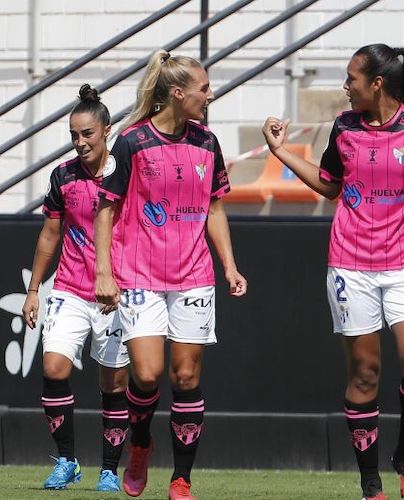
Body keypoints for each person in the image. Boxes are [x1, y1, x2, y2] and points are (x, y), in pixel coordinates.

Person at [262, 43, 404, 500]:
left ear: (376, 83)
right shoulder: (344, 128)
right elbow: (330, 186)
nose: (345, 87)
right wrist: (281, 152)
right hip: (351, 264)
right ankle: (370, 481)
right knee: (364, 373)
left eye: (351, 79)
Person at [94, 50, 247, 500]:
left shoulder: (207, 142)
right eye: (204, 88)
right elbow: (107, 209)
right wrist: (104, 271)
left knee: (185, 378)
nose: (210, 95)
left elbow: (214, 208)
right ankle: (140, 444)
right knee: (145, 374)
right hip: (139, 275)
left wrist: (230, 266)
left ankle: (181, 479)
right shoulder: (132, 141)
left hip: (194, 276)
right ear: (178, 94)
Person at [22, 84, 130, 492]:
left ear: (106, 130)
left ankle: (108, 470)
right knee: (53, 369)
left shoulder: (125, 172)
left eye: (88, 133)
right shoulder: (62, 175)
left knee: (113, 384)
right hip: (68, 288)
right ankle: (67, 461)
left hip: (115, 294)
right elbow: (49, 235)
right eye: (74, 135)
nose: (80, 142)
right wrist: (34, 289)